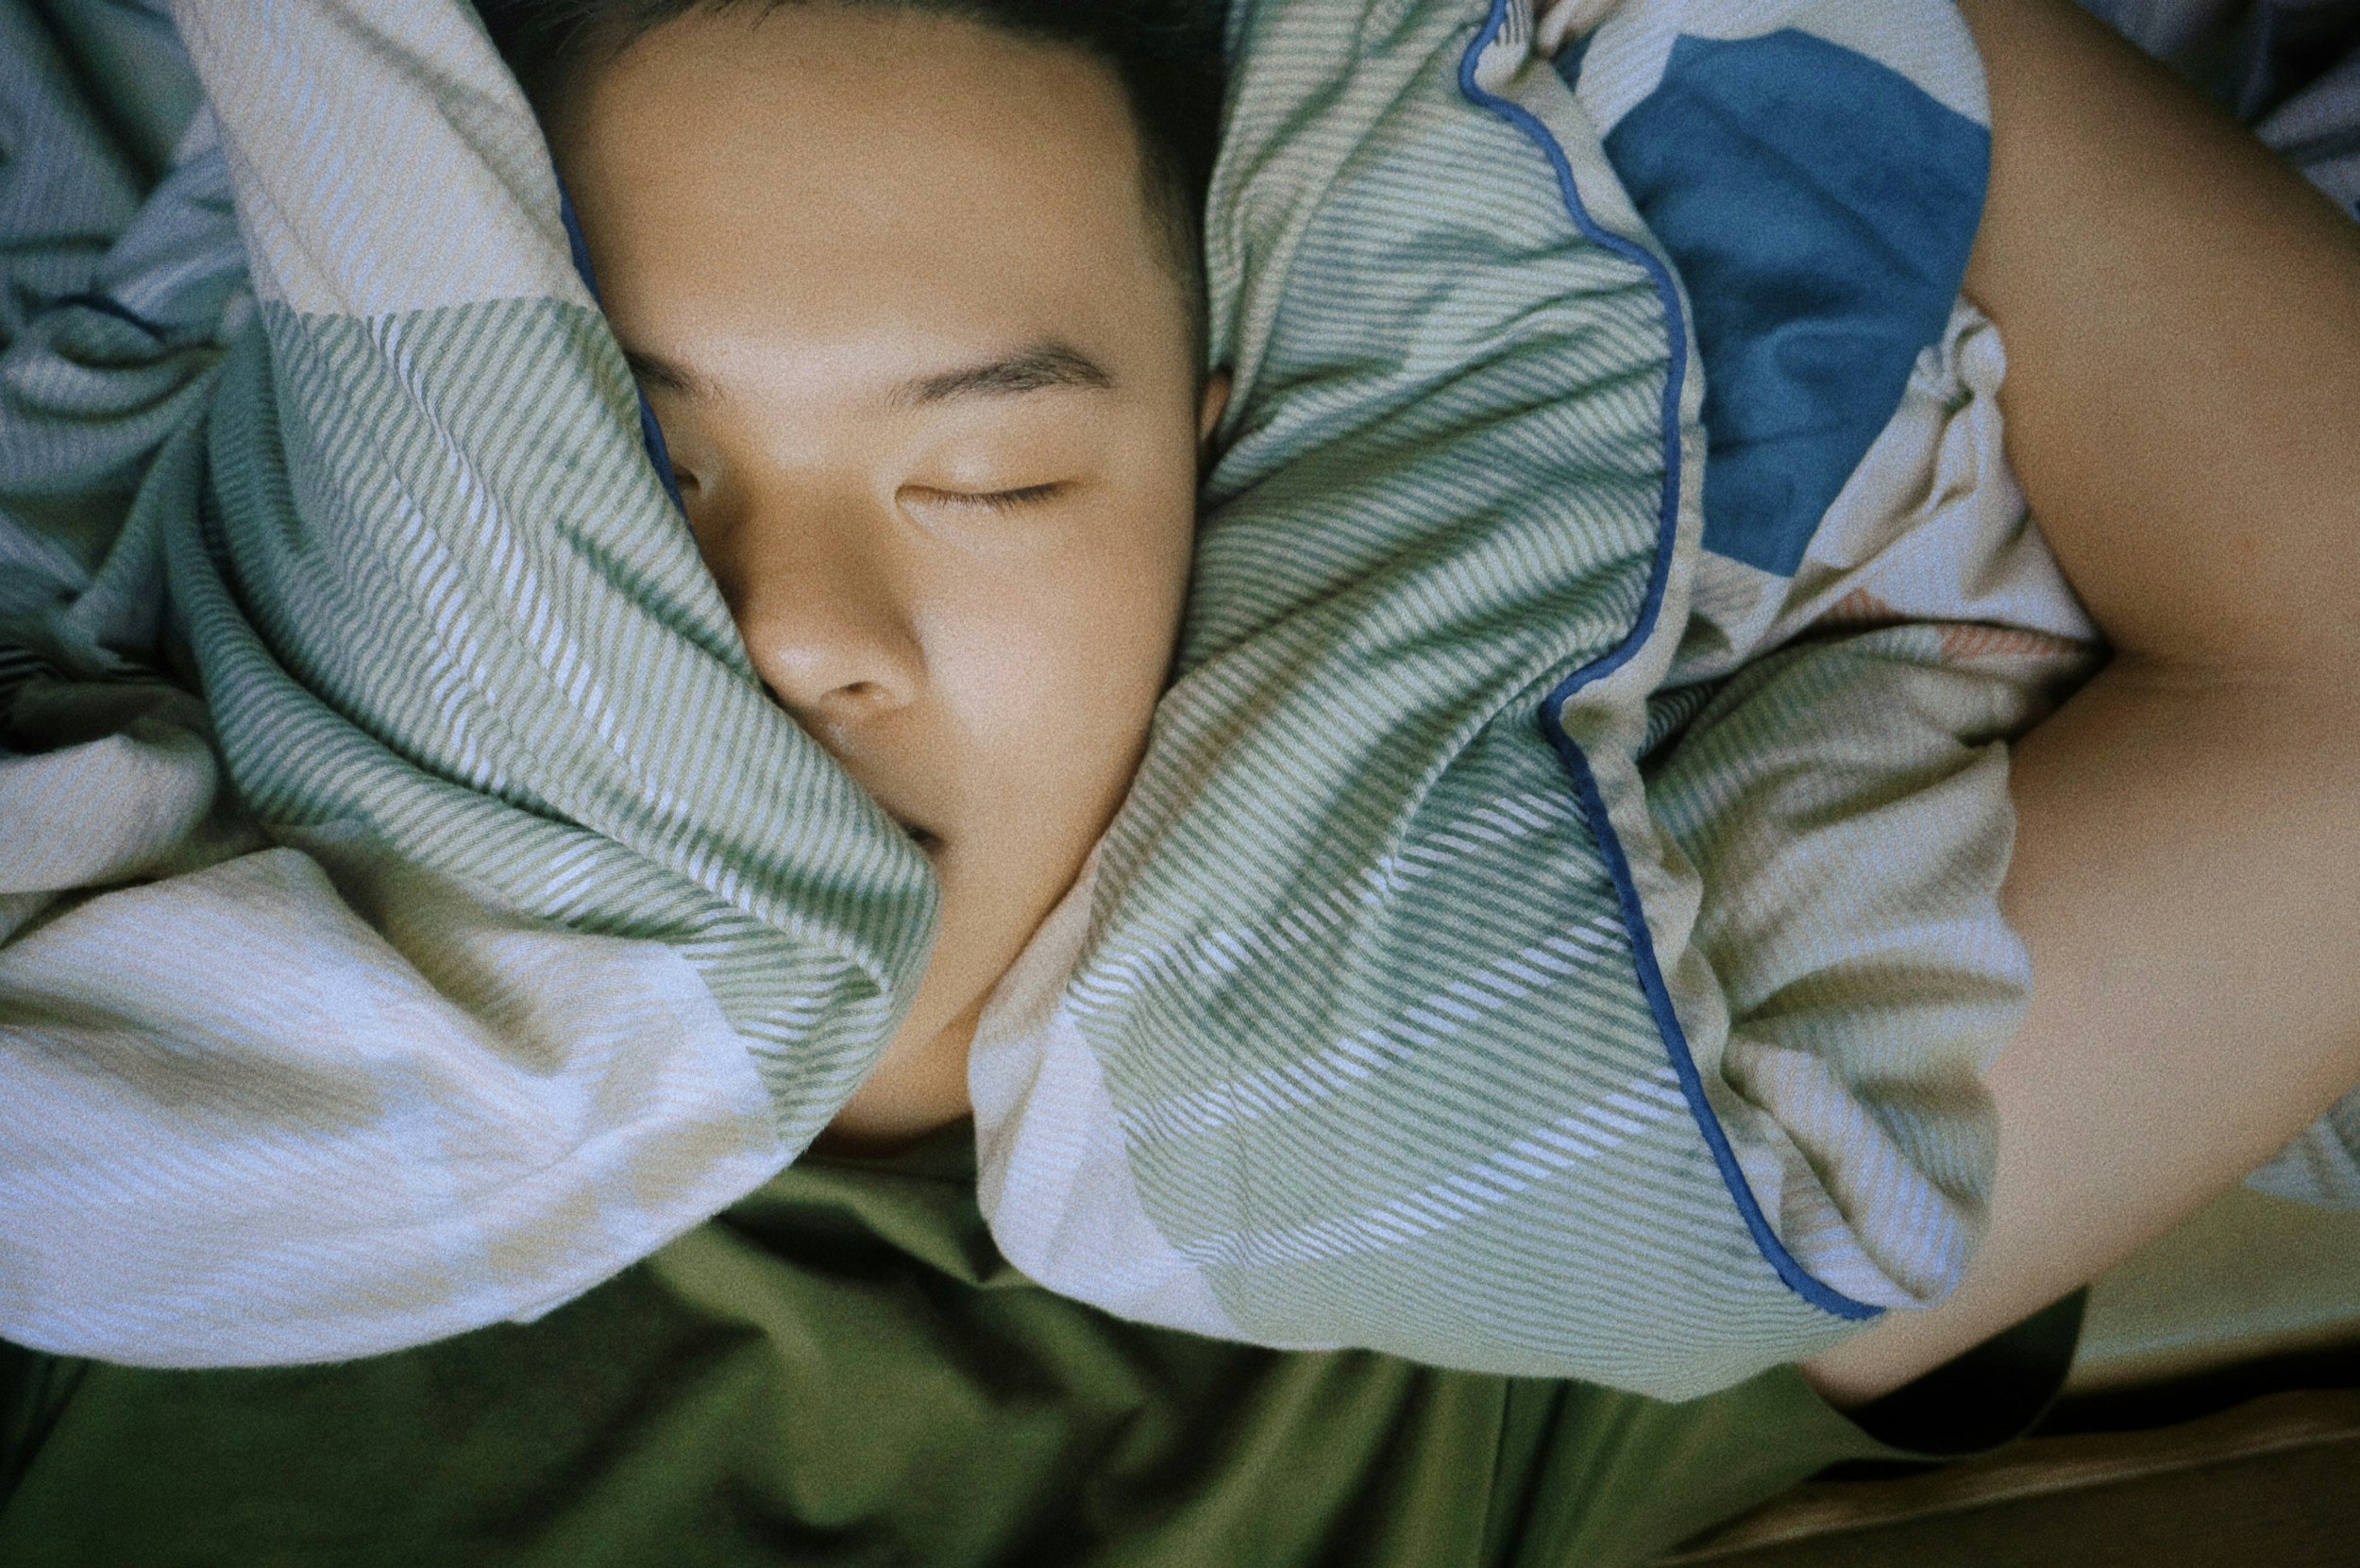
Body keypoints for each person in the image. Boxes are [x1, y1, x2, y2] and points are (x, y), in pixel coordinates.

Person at [511, 0, 2360, 1404]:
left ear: (1213, 467)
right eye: (640, 466)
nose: (795, 634)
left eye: (994, 475)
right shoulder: (1600, 1134)